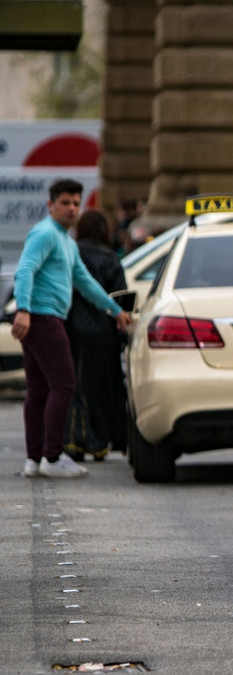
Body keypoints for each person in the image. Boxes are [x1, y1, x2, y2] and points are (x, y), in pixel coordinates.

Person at [12, 179, 133, 479]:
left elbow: (86, 282)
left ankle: (34, 458)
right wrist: (24, 309)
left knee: (39, 389)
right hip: (43, 317)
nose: (72, 209)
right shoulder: (45, 233)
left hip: (44, 317)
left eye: (76, 203)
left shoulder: (66, 241)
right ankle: (52, 456)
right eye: (65, 202)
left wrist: (115, 310)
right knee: (64, 385)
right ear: (50, 205)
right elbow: (25, 269)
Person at [64, 210, 129, 462]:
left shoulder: (71, 254)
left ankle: (76, 440)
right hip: (104, 336)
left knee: (76, 389)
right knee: (103, 391)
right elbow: (121, 299)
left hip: (74, 333)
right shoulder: (110, 259)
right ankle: (100, 442)